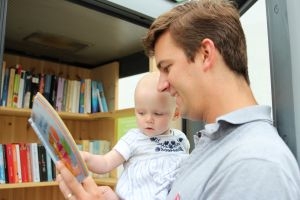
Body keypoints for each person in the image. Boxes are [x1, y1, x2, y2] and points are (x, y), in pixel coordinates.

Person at [56, 0, 300, 199]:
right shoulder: (211, 147)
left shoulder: (255, 166)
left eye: (167, 67)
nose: (161, 84)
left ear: (205, 54)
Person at [57, 72, 190, 200]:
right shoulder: (133, 138)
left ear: (176, 114)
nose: (148, 119)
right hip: (136, 196)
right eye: (141, 112)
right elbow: (106, 162)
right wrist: (86, 158)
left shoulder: (181, 139)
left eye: (158, 114)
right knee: (105, 192)